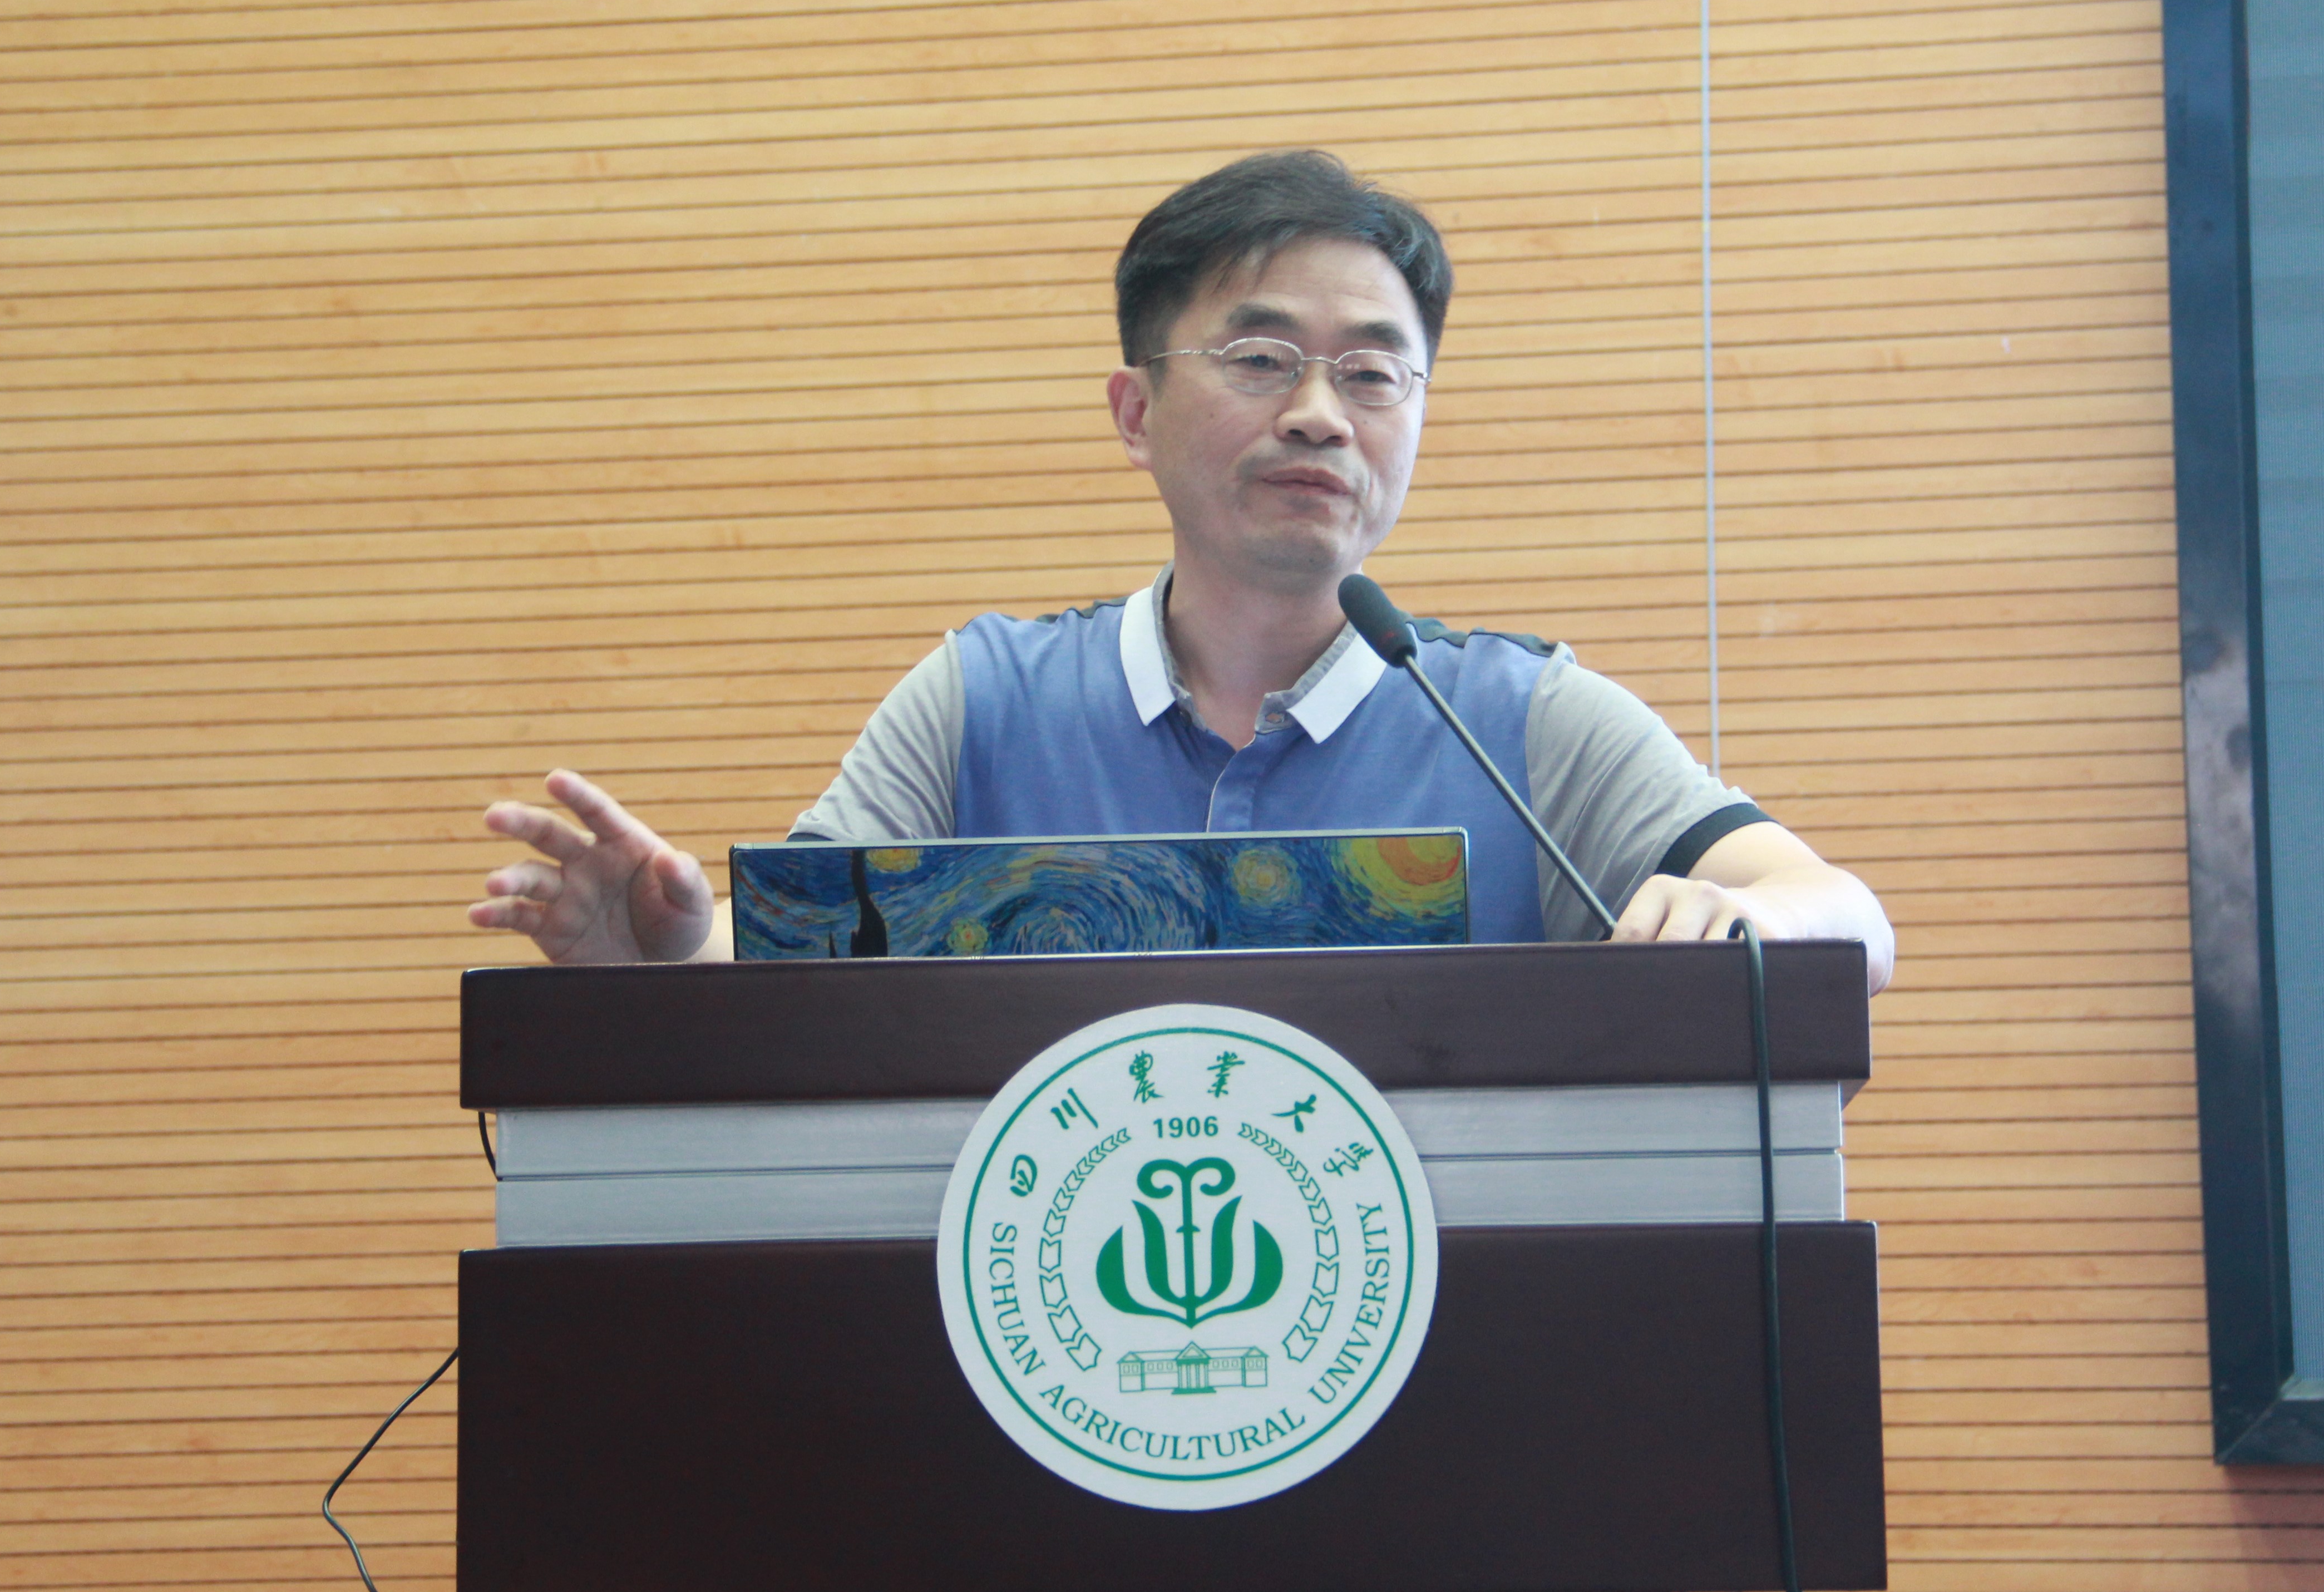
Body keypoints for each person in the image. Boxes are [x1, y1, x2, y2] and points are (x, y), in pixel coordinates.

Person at [471, 151, 1892, 984]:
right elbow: (799, 972)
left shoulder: (1521, 723)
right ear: (1135, 411)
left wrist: (1755, 914)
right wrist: (667, 956)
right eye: (1262, 358)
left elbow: (1851, 920)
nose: (1322, 413)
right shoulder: (984, 704)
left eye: (1373, 373)